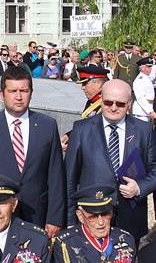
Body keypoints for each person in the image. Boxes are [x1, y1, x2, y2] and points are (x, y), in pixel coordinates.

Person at [0, 66, 65, 238]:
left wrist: (55, 218)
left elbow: (56, 175)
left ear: (31, 93)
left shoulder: (47, 126)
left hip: (38, 215)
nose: (18, 97)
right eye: (12, 91)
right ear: (2, 94)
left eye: (24, 91)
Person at [65, 79, 156, 242]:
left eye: (120, 104)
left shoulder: (144, 130)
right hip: (93, 216)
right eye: (108, 102)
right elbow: (69, 179)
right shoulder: (82, 130)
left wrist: (140, 187)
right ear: (101, 100)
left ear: (129, 103)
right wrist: (70, 220)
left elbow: (154, 169)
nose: (113, 108)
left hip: (130, 217)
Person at [53, 184, 136, 262]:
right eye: (93, 217)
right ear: (80, 216)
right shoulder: (66, 244)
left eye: (105, 215)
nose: (101, 222)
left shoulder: (126, 239)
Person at [60, 65, 110, 152]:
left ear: (99, 83)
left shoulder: (108, 104)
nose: (82, 87)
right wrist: (69, 136)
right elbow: (86, 127)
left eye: (85, 83)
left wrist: (75, 147)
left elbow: (100, 137)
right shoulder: (92, 101)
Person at [132, 57, 156, 122]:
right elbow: (140, 98)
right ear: (142, 68)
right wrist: (150, 111)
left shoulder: (146, 78)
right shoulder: (140, 80)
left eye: (151, 67)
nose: (150, 69)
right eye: (148, 67)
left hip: (146, 112)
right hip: (141, 112)